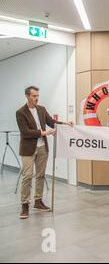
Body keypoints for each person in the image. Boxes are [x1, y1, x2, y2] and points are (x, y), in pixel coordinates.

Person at [16, 86, 72, 219]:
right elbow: (25, 132)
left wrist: (65, 123)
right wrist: (43, 133)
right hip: (28, 148)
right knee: (27, 176)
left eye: (37, 96)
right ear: (27, 96)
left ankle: (38, 201)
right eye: (34, 96)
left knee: (40, 175)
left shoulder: (41, 109)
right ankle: (24, 205)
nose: (36, 98)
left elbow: (51, 122)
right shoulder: (20, 112)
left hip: (42, 148)